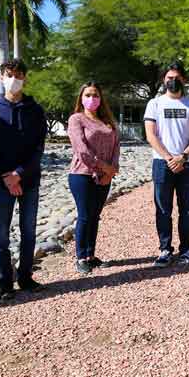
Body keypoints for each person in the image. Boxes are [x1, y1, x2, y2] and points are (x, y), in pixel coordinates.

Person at [0, 58, 48, 296]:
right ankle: (5, 279)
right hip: (0, 183)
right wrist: (7, 177)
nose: (14, 79)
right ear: (2, 78)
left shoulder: (36, 110)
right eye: (9, 74)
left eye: (18, 75)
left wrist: (19, 175)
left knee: (28, 231)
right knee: (2, 233)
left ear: (25, 78)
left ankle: (25, 276)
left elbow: (38, 149)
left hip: (29, 181)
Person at [144, 63, 189, 267]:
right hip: (162, 164)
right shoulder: (154, 104)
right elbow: (150, 135)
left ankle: (187, 249)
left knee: (187, 209)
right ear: (164, 80)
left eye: (176, 77)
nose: (173, 81)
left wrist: (183, 156)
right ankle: (164, 250)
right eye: (169, 77)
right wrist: (169, 158)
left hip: (188, 164)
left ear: (183, 80)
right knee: (163, 209)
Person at [67, 82, 120, 274]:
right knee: (85, 215)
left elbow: (116, 146)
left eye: (95, 94)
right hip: (82, 175)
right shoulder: (76, 119)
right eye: (88, 94)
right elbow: (82, 150)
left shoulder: (107, 121)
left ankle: (91, 254)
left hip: (105, 176)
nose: (92, 98)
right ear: (81, 98)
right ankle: (81, 257)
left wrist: (111, 171)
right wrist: (105, 168)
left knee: (95, 216)